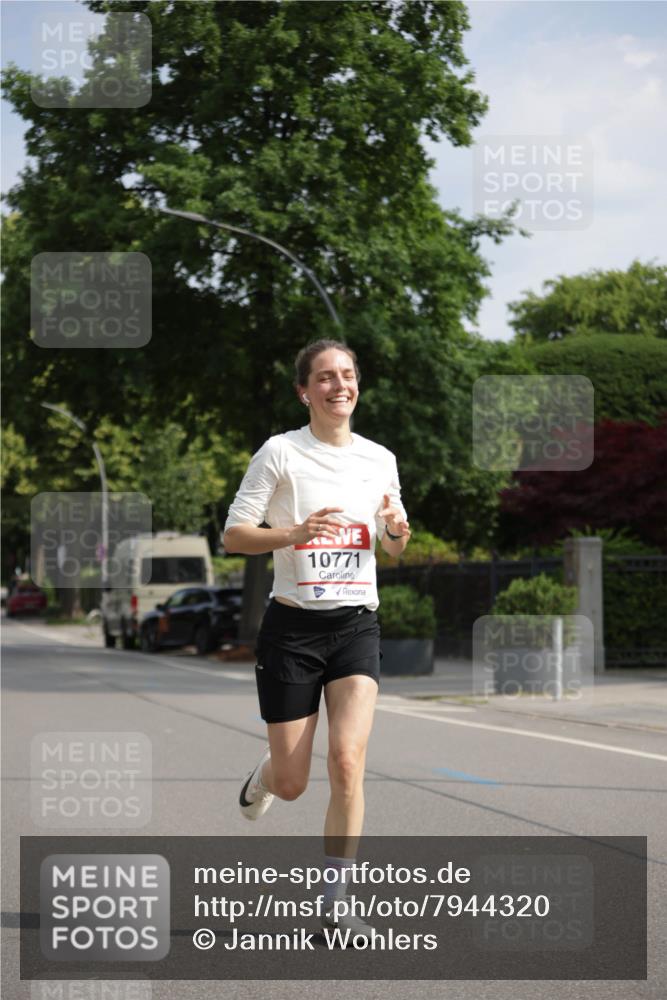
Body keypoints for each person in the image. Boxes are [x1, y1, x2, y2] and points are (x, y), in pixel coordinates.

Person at [222, 339, 411, 939]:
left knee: (348, 761)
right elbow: (234, 535)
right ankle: (267, 774)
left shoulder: (380, 458)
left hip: (356, 622)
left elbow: (393, 545)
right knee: (296, 782)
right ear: (305, 390)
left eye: (348, 375)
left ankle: (336, 901)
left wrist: (397, 532)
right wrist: (293, 533)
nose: (339, 386)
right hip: (293, 628)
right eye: (325, 377)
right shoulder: (280, 453)